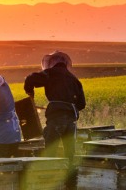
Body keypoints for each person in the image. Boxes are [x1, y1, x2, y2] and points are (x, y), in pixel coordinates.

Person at [24, 51, 85, 189]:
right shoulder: (74, 79)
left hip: (56, 119)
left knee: (50, 153)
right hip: (71, 122)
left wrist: (30, 93)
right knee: (70, 155)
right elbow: (82, 104)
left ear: (51, 62)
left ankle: (49, 185)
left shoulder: (50, 73)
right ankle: (71, 186)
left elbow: (30, 79)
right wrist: (67, 105)